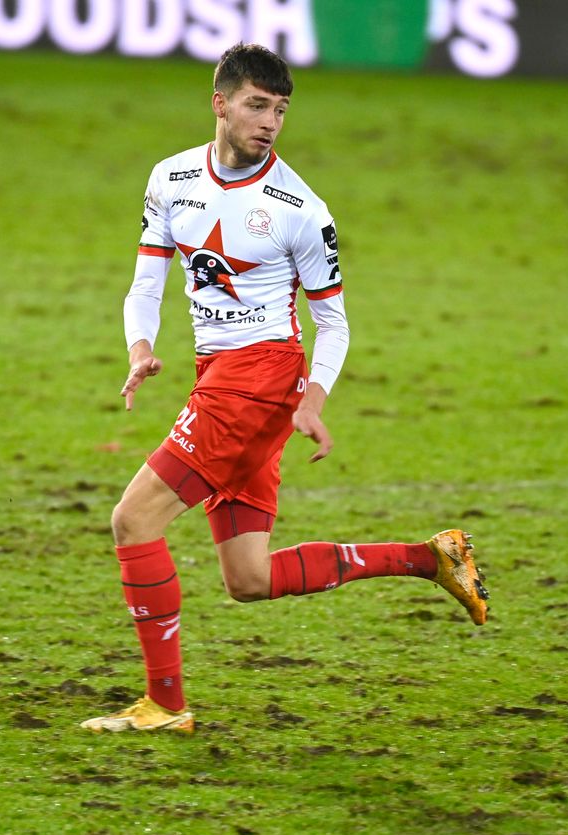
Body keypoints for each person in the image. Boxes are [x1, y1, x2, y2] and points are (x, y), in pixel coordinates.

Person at [81, 43, 489, 734]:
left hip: (260, 379)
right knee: (249, 578)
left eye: (280, 110)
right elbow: (147, 280)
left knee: (133, 520)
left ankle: (165, 704)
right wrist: (141, 348)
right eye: (257, 105)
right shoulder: (171, 178)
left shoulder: (301, 209)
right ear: (220, 103)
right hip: (220, 375)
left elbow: (333, 322)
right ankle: (432, 559)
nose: (270, 122)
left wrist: (313, 400)